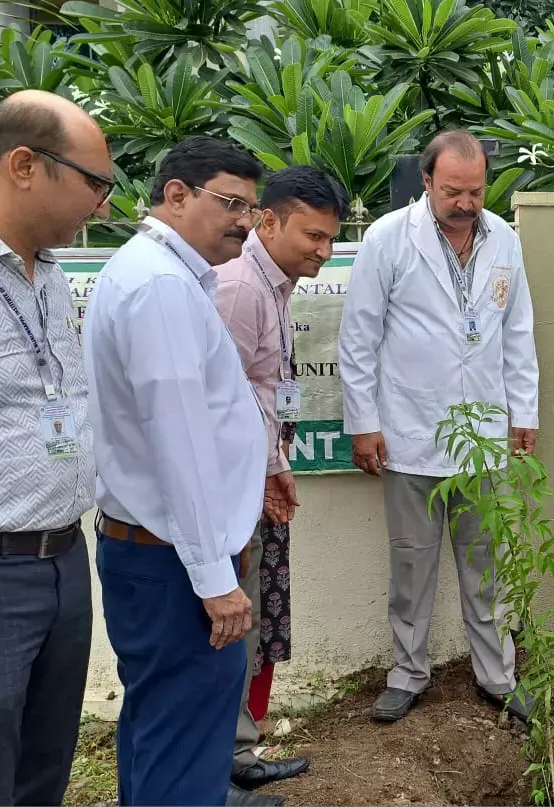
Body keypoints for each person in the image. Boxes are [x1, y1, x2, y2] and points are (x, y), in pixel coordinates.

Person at [84, 135, 280, 807]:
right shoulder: (162, 286)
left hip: (159, 555)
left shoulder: (161, 274)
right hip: (175, 565)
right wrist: (215, 580)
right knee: (185, 747)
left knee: (163, 733)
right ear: (175, 194)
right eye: (230, 203)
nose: (244, 222)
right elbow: (180, 443)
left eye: (251, 209)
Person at [338, 129, 540, 724]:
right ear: (426, 183)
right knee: (411, 563)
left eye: (475, 191)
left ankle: (497, 676)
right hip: (410, 430)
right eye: (453, 190)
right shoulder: (388, 239)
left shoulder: (503, 237)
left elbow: (519, 331)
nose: (467, 203)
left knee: (488, 565)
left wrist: (523, 413)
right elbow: (358, 338)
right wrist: (365, 423)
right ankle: (407, 673)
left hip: (483, 433)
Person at [0, 90, 112, 806]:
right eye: (93, 183)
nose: (102, 205)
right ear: (24, 165)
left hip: (61, 562)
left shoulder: (46, 275)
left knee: (43, 765)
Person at [215, 165, 348, 791]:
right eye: (311, 236)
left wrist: (277, 467)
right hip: (236, 493)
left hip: (260, 484)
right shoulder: (242, 288)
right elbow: (228, 398)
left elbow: (265, 394)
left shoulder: (277, 285)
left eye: (329, 240)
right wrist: (265, 472)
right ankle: (225, 762)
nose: (321, 251)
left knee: (254, 625)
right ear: (268, 221)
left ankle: (237, 752)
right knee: (232, 627)